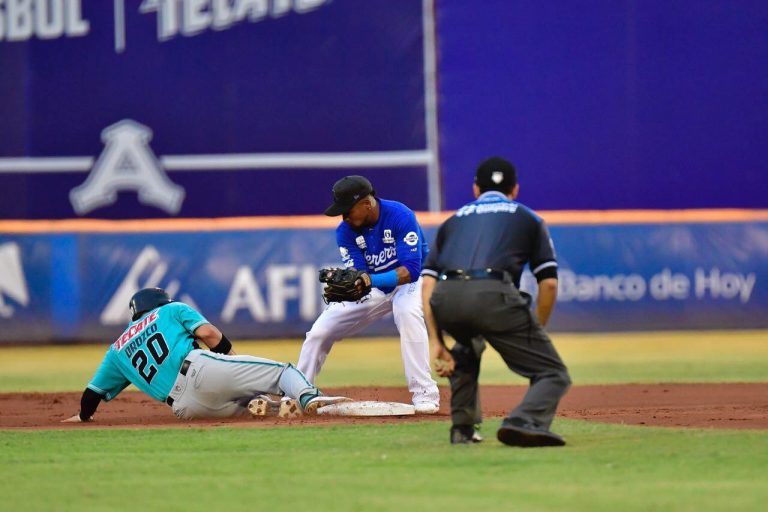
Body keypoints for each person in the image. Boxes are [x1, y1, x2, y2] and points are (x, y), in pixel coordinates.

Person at [421, 157, 571, 446]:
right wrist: (536, 329)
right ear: (515, 190)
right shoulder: (528, 217)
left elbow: (427, 283)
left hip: (446, 296)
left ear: (476, 189)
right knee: (552, 372)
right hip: (493, 294)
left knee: (466, 347)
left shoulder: (452, 221)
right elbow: (549, 283)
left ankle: (462, 429)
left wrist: (436, 340)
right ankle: (524, 420)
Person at [62, 287, 347, 423]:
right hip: (198, 371)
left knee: (244, 401)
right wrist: (232, 359)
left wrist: (83, 417)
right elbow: (209, 335)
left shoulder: (117, 349)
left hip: (185, 409)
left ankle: (267, 404)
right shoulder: (170, 310)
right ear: (159, 302)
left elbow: (92, 394)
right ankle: (309, 398)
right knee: (282, 371)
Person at [296, 176, 441, 414]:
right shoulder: (345, 231)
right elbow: (359, 275)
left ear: (367, 203)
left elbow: (411, 270)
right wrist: (358, 282)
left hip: (411, 282)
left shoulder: (399, 215)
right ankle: (298, 392)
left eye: (347, 210)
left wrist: (368, 280)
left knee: (407, 311)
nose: (343, 217)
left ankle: (425, 393)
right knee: (320, 331)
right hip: (376, 285)